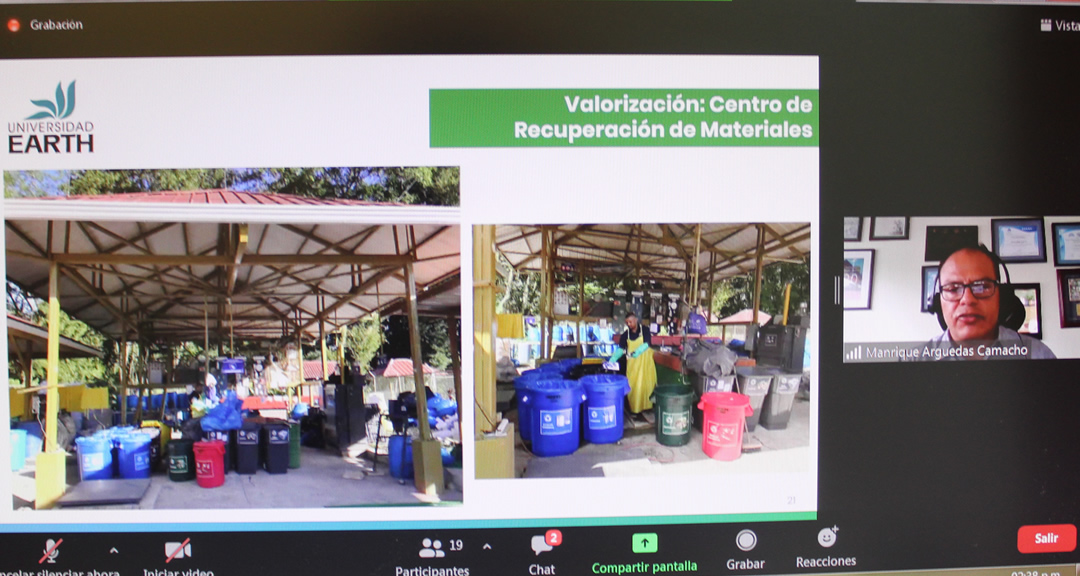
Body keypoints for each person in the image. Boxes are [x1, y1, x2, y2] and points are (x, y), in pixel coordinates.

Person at [925, 246, 1055, 360]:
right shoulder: (915, 361)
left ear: (1002, 297)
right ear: (938, 302)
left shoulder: (1039, 355)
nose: (968, 300)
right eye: (953, 289)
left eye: (982, 287)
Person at [608, 313, 657, 414]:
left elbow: (647, 343)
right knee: (633, 387)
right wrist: (612, 360)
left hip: (646, 364)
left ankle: (647, 408)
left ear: (635, 320)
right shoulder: (625, 334)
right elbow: (621, 349)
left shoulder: (645, 330)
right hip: (633, 365)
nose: (629, 324)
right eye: (627, 323)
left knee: (647, 385)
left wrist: (637, 352)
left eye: (630, 321)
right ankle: (635, 410)